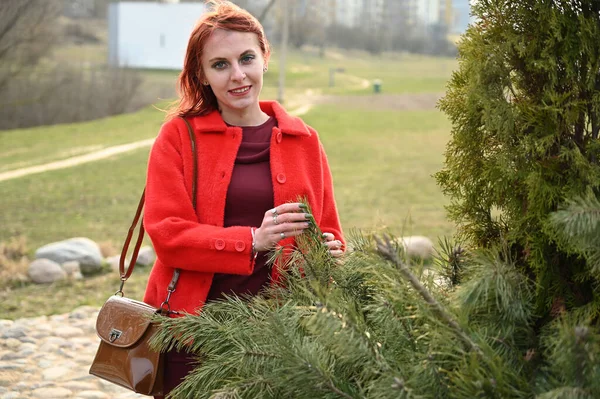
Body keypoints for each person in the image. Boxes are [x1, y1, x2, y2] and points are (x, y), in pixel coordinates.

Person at [142, 1, 345, 397]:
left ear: (265, 57)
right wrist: (253, 240)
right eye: (220, 64)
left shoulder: (304, 140)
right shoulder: (178, 138)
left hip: (282, 338)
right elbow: (167, 236)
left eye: (246, 58)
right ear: (201, 74)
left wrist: (331, 251)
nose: (238, 75)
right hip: (191, 333)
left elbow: (329, 228)